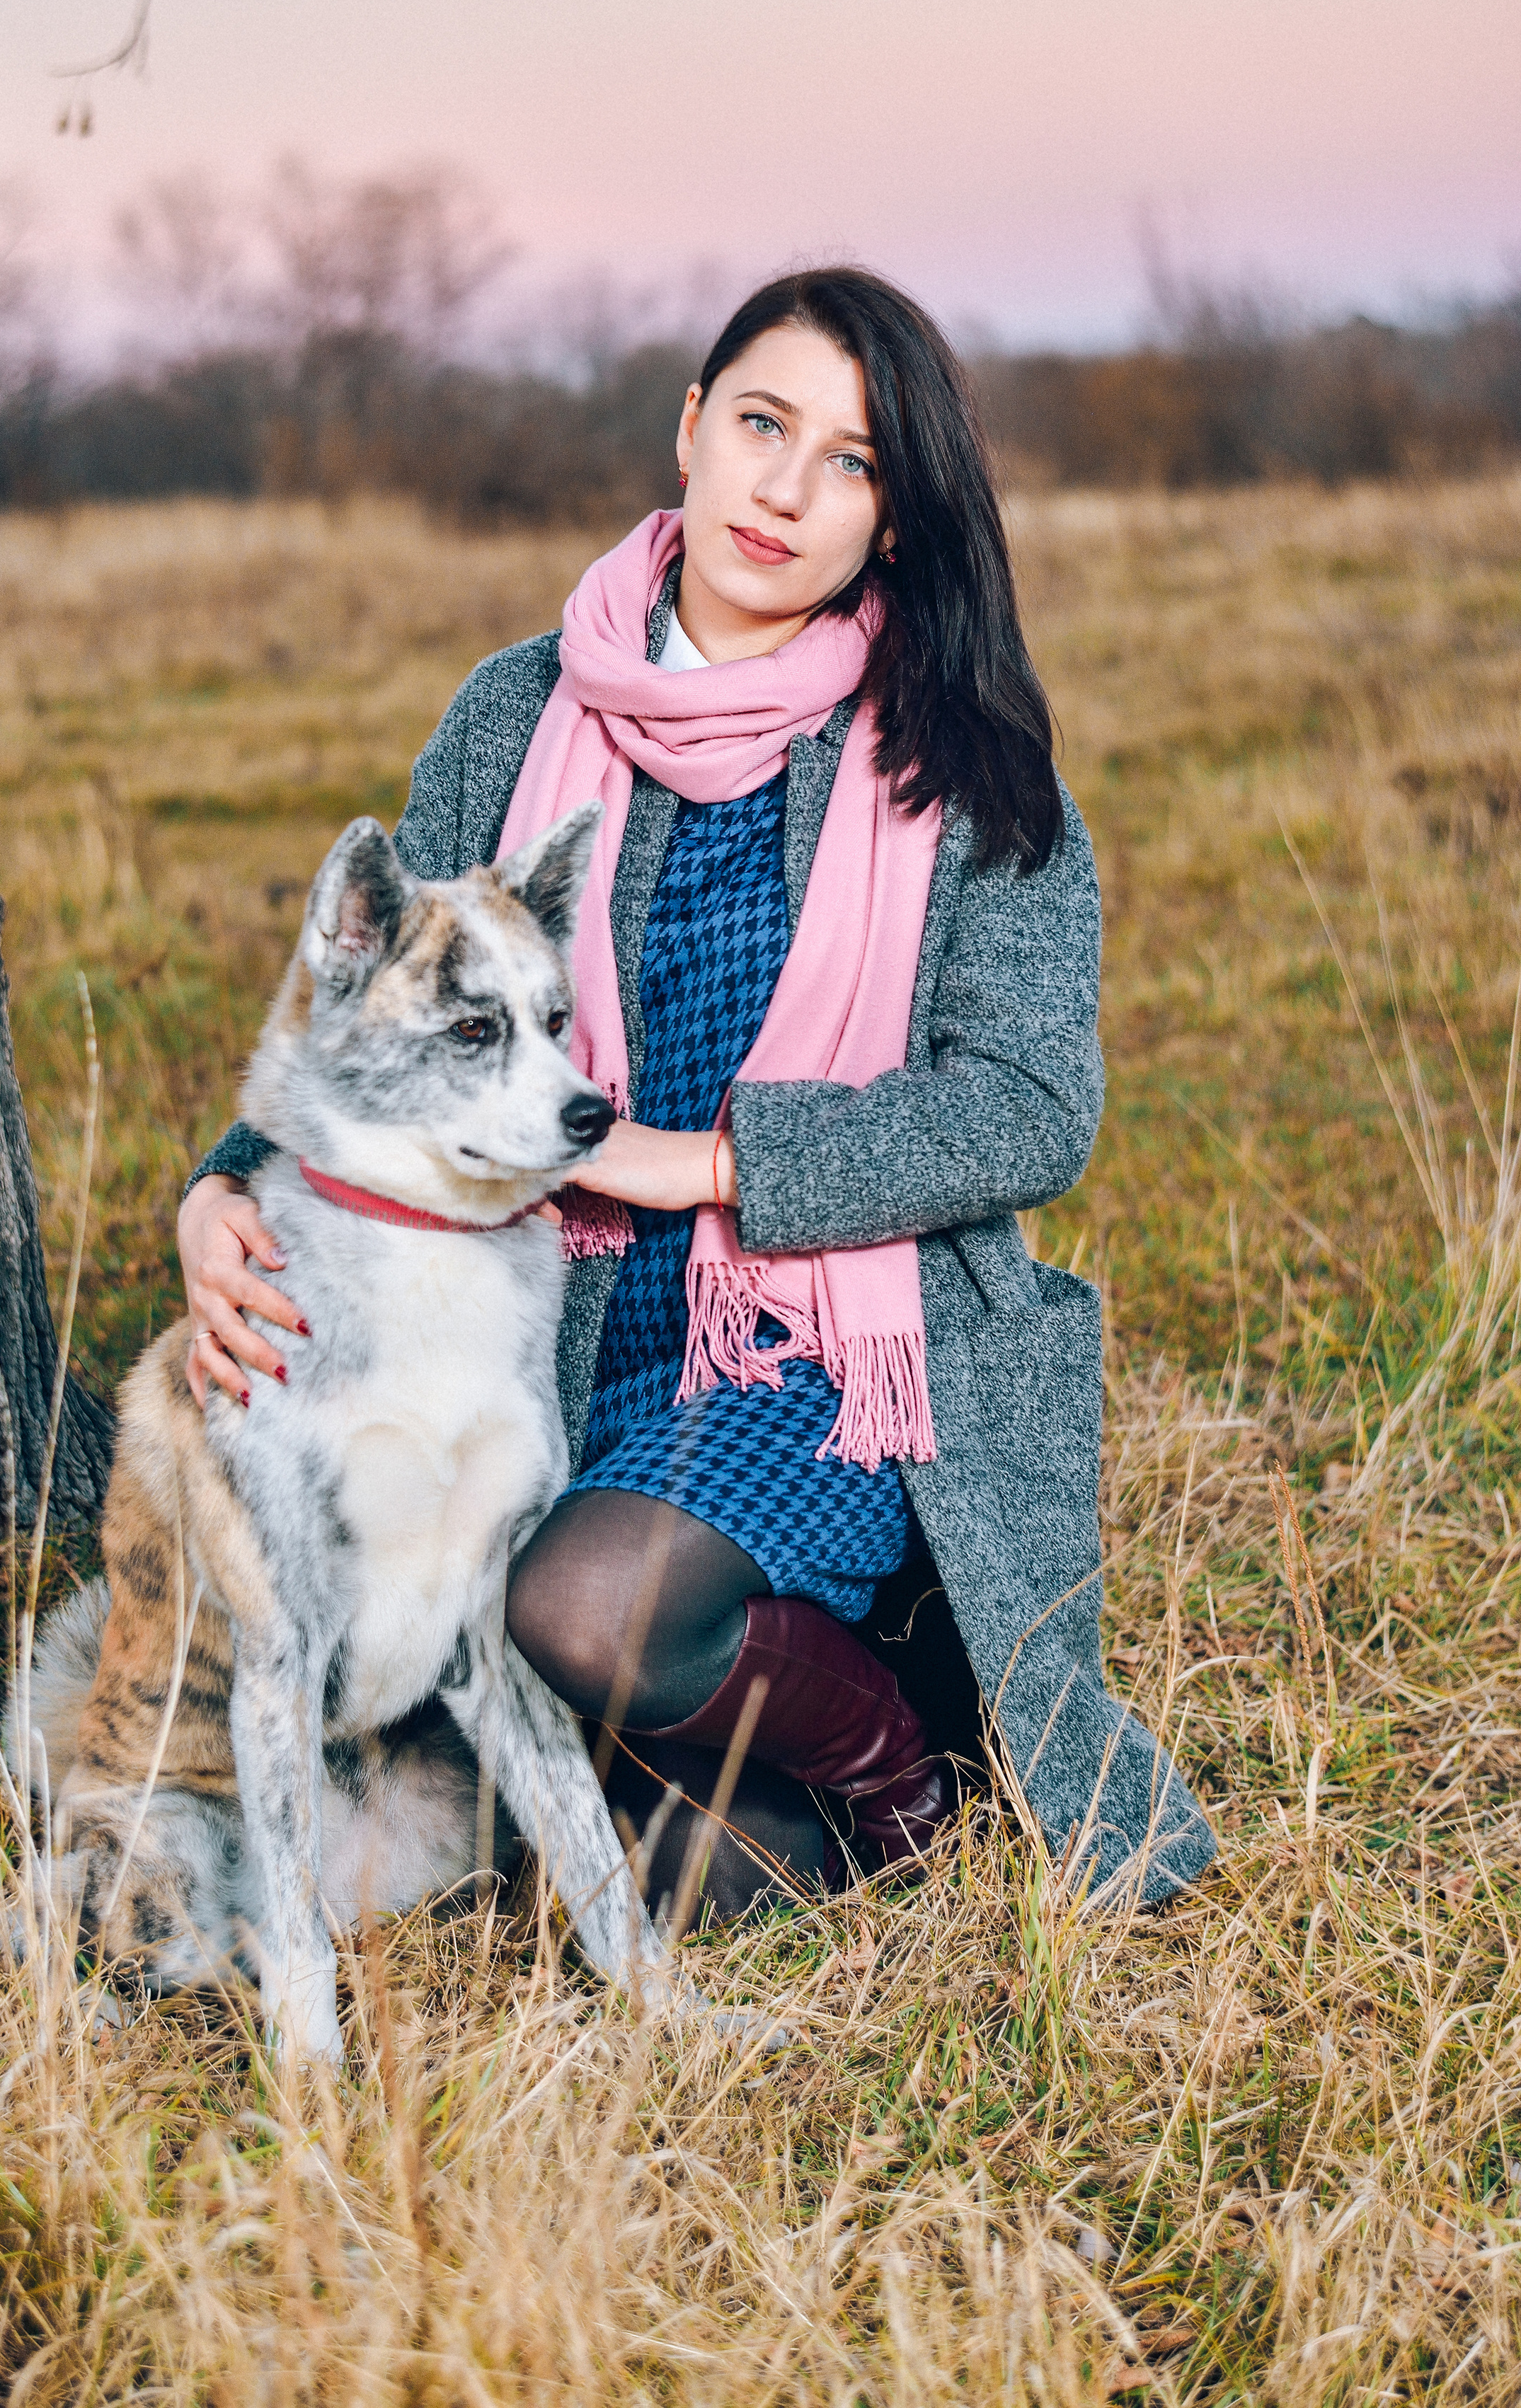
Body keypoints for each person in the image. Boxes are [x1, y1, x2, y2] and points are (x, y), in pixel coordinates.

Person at [177, 267, 1216, 1917]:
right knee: (591, 1855)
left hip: (828, 1348)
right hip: (553, 1324)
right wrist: (221, 1185)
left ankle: (914, 1778)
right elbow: (394, 996)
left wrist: (710, 1162)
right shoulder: (517, 710)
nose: (786, 488)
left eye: (853, 462)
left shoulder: (962, 762)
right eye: (760, 424)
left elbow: (1028, 1105)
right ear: (688, 429)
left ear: (892, 519)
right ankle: (771, 1773)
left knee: (579, 1608)